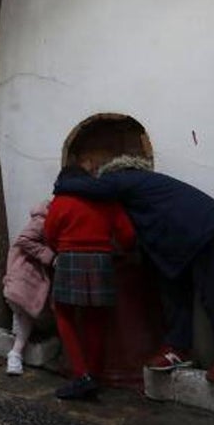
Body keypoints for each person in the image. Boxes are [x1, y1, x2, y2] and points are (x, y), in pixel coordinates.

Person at [53, 154, 214, 385]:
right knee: (174, 288)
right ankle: (178, 348)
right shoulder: (144, 186)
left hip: (201, 231)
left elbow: (90, 188)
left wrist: (60, 184)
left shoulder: (124, 178)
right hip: (186, 238)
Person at [45, 161, 136, 399]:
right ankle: (94, 376)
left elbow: (49, 235)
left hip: (69, 259)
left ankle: (81, 375)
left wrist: (64, 250)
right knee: (95, 319)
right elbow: (127, 235)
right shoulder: (107, 199)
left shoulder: (60, 201)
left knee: (63, 313)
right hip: (102, 260)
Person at [1, 202, 55, 377]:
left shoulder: (43, 219)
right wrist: (49, 256)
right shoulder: (42, 221)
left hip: (28, 277)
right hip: (26, 276)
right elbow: (23, 240)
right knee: (24, 314)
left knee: (22, 315)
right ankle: (15, 354)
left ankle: (15, 354)